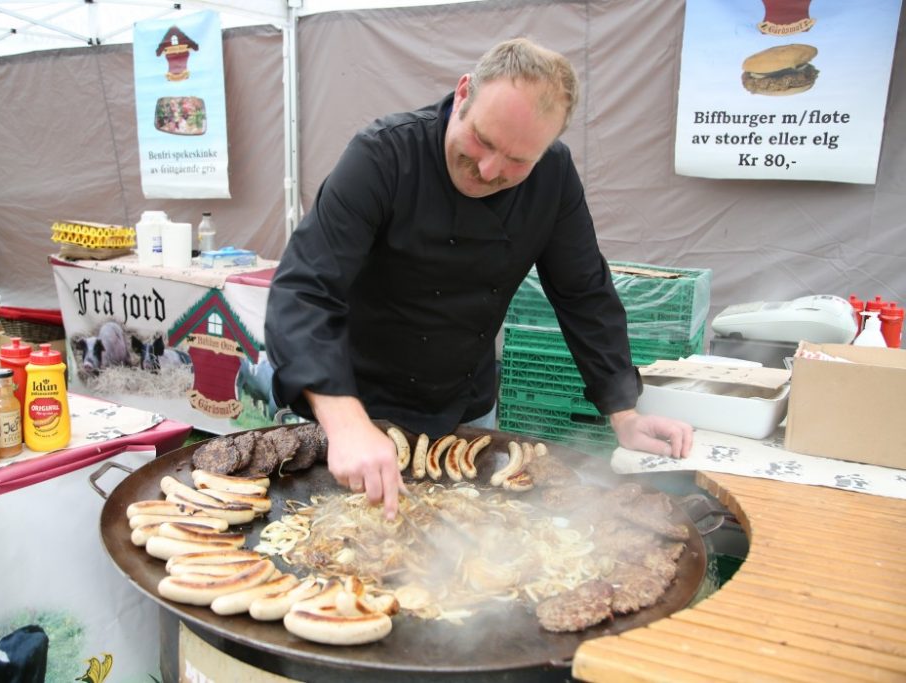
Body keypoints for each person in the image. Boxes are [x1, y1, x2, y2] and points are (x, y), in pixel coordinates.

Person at [265, 37, 693, 520]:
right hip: (356, 401)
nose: (490, 170)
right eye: (484, 142)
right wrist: (345, 422)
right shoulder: (383, 156)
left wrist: (624, 412)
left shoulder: (553, 175)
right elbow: (304, 289)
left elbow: (584, 293)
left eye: (518, 161)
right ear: (464, 92)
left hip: (463, 406)